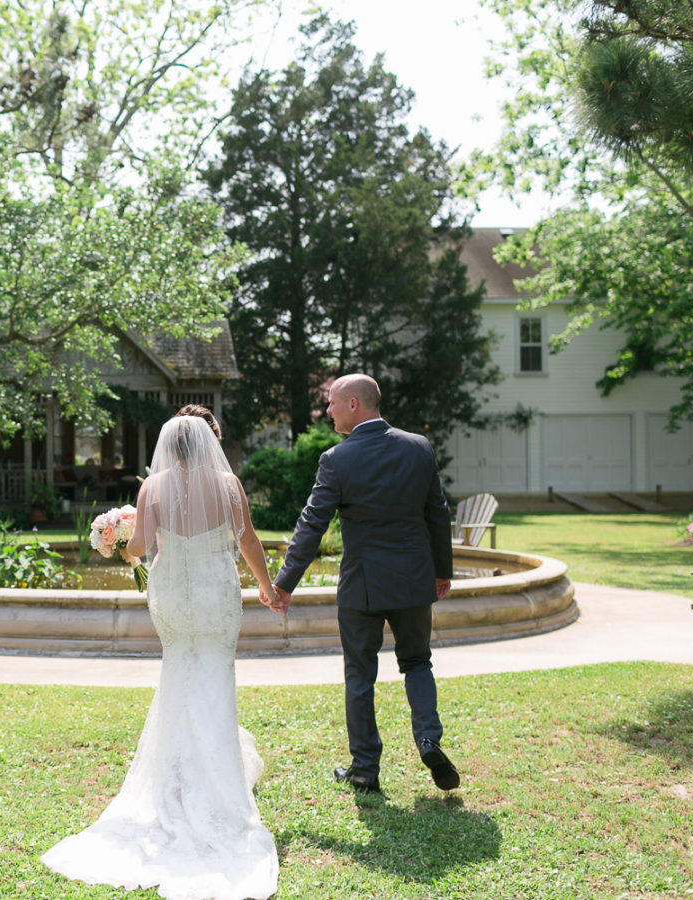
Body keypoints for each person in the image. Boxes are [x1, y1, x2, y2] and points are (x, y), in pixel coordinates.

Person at [41, 413, 280, 900]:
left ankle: (173, 781)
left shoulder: (153, 489)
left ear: (170, 447)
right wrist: (265, 584)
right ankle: (216, 780)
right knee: (214, 677)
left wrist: (120, 540)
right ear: (208, 443)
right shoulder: (229, 484)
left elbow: (144, 547)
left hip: (171, 597)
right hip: (215, 594)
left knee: (179, 677)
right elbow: (248, 540)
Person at [264, 373, 460, 796]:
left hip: (362, 587)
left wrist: (284, 584)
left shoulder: (337, 458)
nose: (327, 411)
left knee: (360, 676)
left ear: (354, 404)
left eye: (332, 403)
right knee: (417, 662)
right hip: (412, 580)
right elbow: (437, 514)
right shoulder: (419, 447)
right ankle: (428, 740)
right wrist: (442, 571)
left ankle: (365, 771)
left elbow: (311, 525)